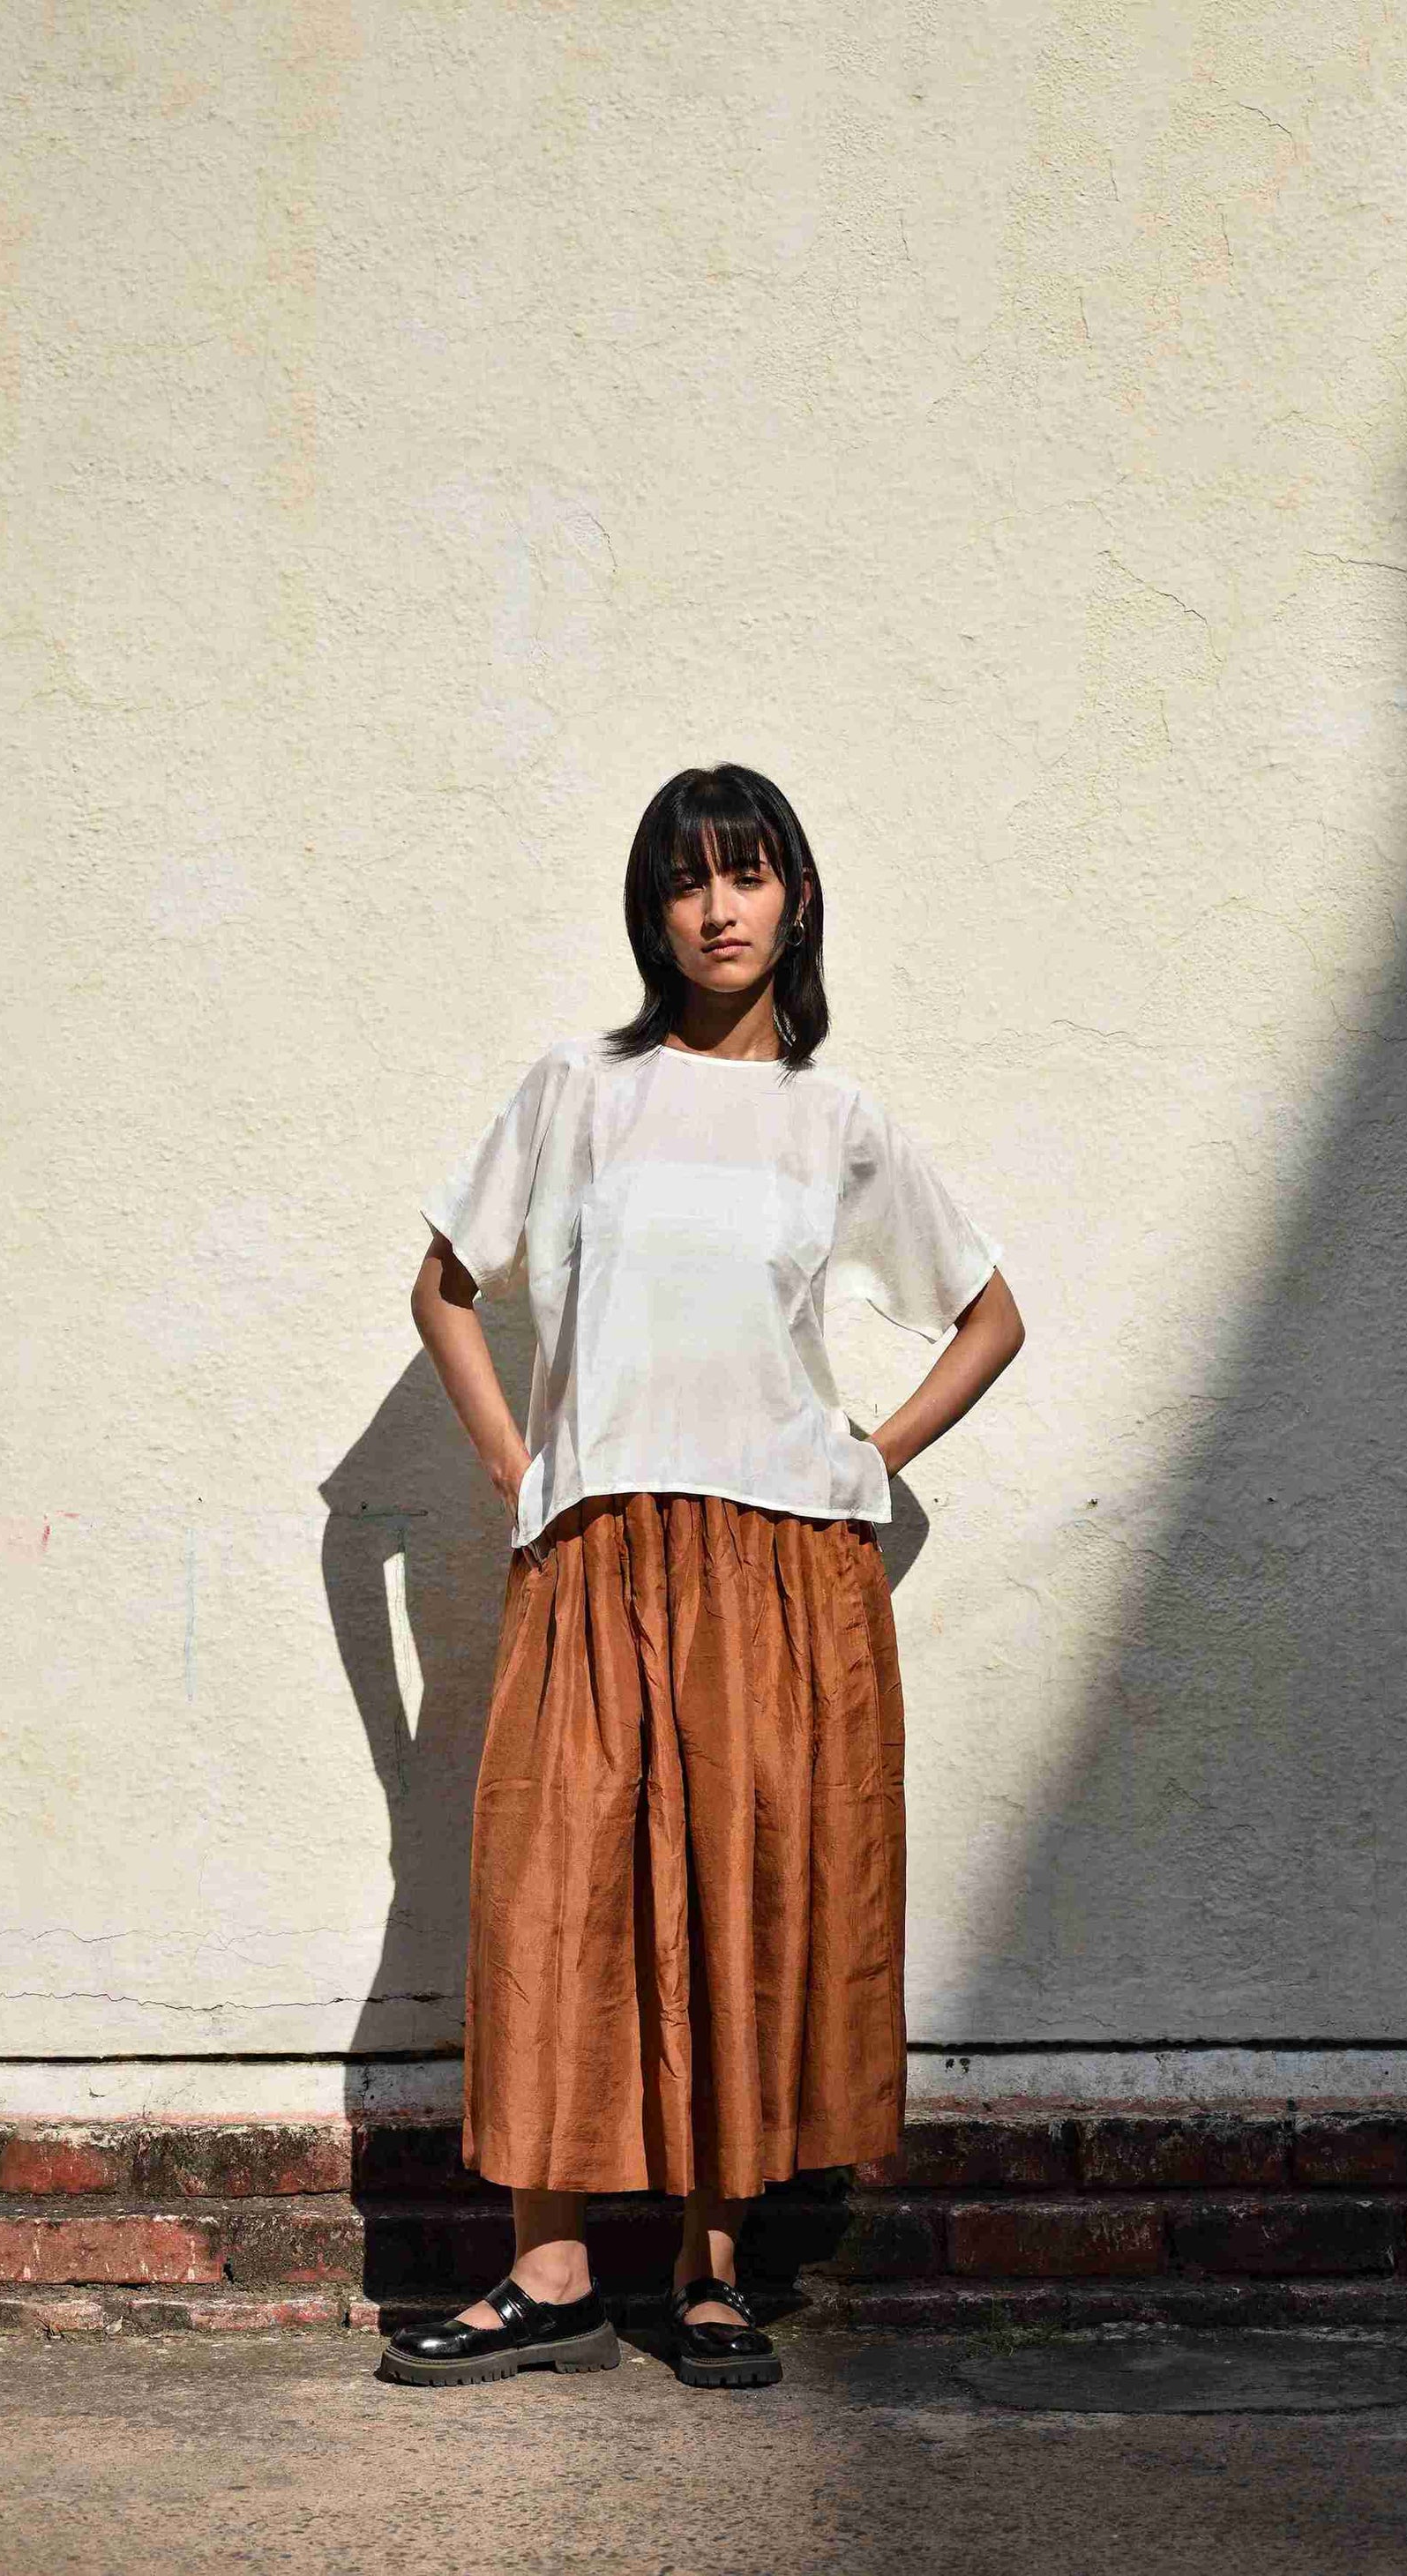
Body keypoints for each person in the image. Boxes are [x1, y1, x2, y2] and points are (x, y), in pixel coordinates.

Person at [381, 764, 1025, 2392]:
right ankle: (547, 2268)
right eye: (687, 881)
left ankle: (713, 2266)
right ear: (651, 907)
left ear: (795, 896)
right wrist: (520, 1471)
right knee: (564, 1883)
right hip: (600, 1544)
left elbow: (989, 1317)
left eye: (746, 877)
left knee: (742, 1886)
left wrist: (860, 1456)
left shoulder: (838, 1119)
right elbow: (446, 1288)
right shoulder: (578, 1090)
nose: (718, 909)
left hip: (776, 1554)